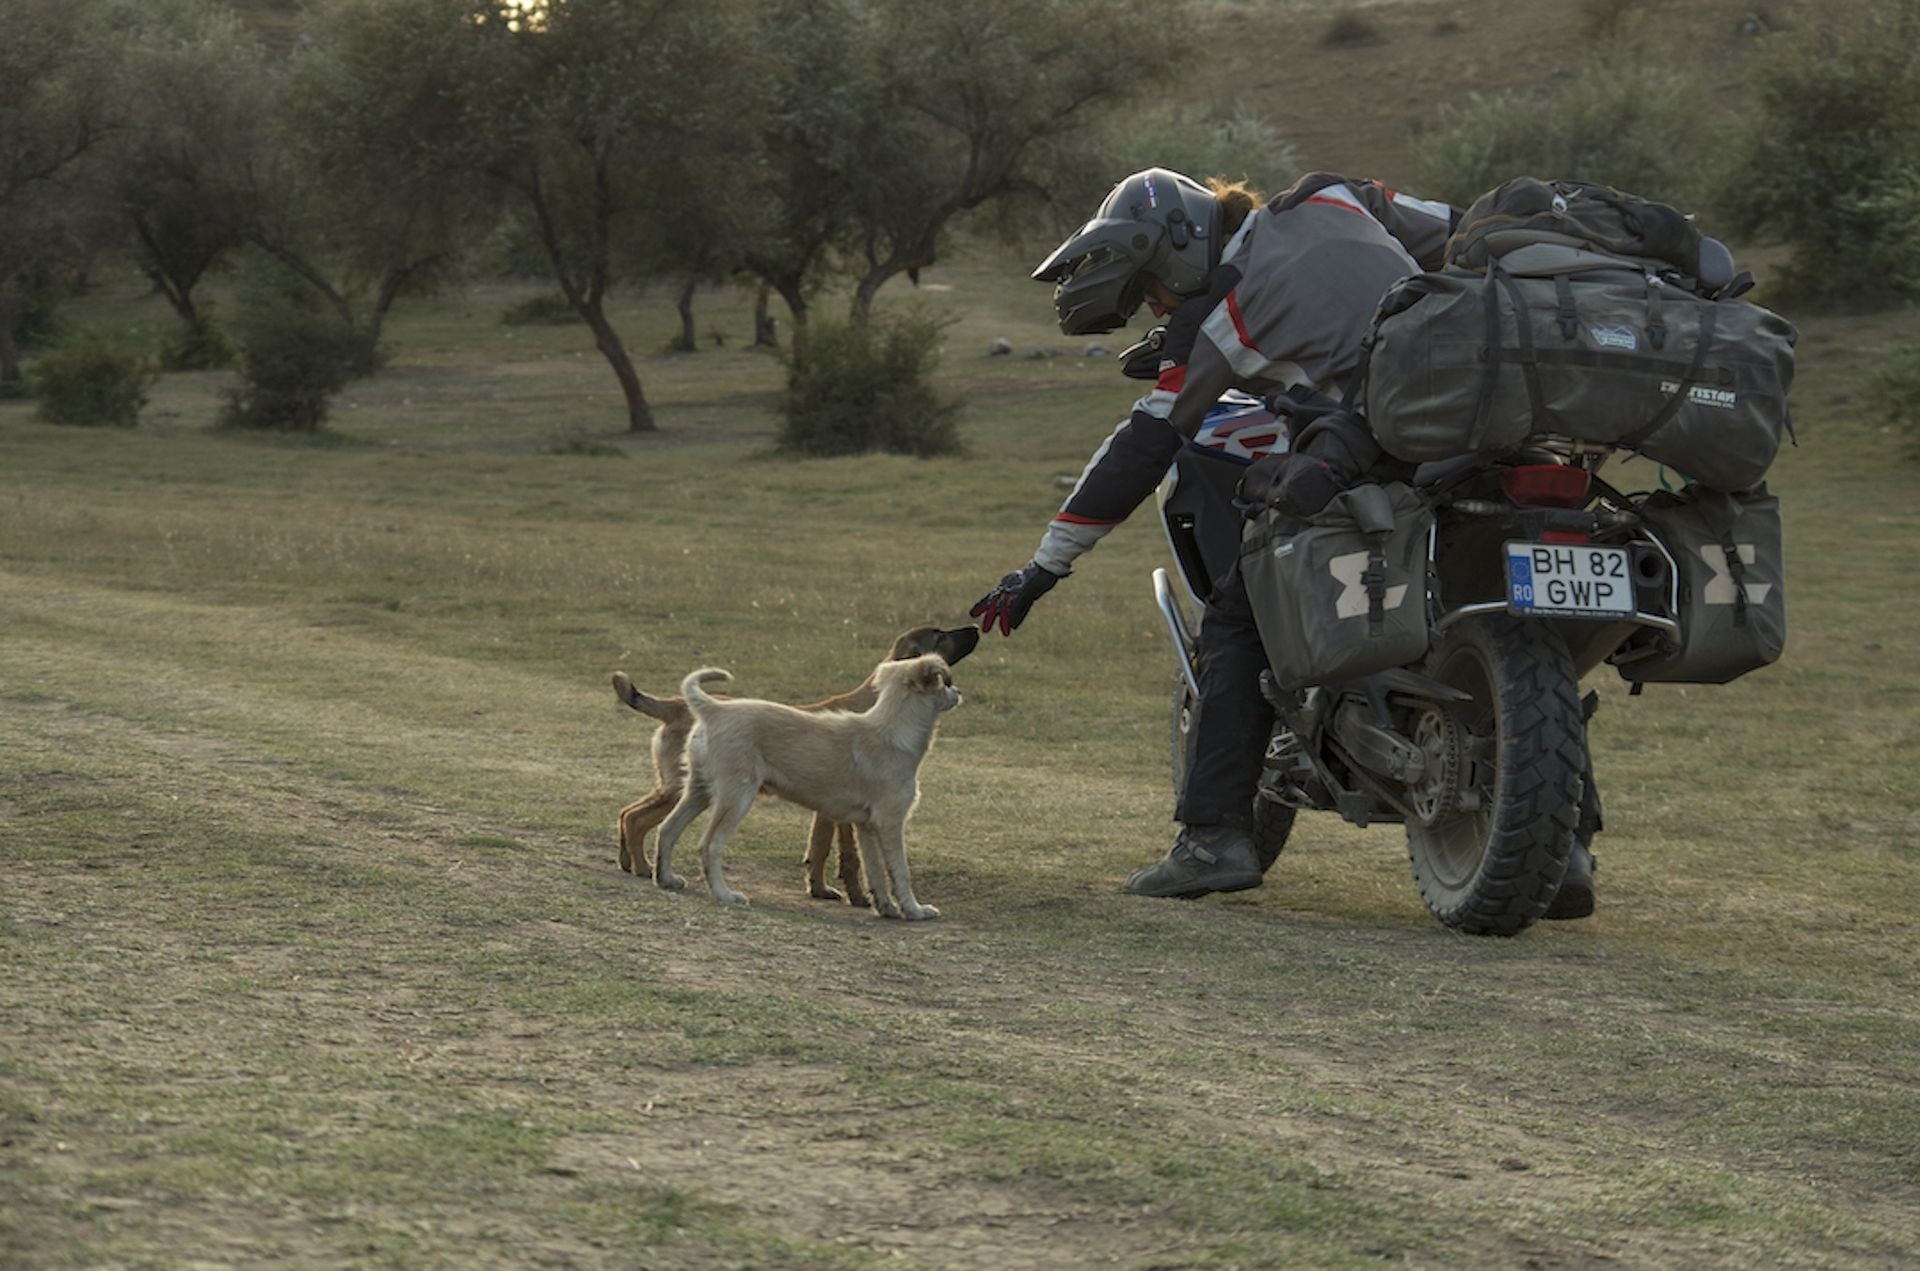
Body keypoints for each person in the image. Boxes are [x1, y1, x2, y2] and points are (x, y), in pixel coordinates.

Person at [969, 166, 1597, 919]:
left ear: (1175, 249)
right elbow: (1464, 231)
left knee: (1241, 615)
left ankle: (1214, 840)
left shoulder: (1223, 316)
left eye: (1149, 289)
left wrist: (1043, 568)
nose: (1156, 306)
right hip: (1516, 423)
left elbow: (1141, 448)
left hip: (1391, 446)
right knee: (1512, 615)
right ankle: (1568, 848)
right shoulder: (1334, 196)